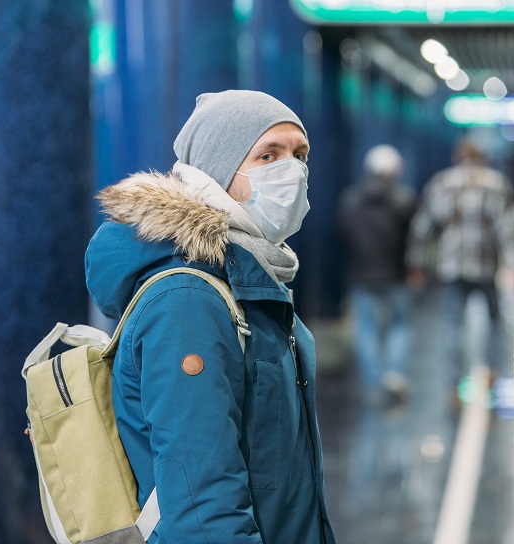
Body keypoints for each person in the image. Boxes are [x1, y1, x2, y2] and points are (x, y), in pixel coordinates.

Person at [85, 90, 336, 543]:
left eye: (300, 154)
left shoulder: (252, 278)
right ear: (219, 170)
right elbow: (203, 505)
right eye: (268, 154)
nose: (293, 171)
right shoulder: (189, 300)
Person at [406, 137, 514, 403]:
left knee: (453, 326)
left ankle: (454, 382)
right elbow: (506, 229)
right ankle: (492, 373)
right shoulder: (496, 184)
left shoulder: (442, 183)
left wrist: (416, 264)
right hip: (487, 267)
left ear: (458, 156)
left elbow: (423, 227)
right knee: (494, 324)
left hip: (453, 267)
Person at [337, 144, 418, 405]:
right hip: (396, 274)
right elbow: (414, 239)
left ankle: (373, 384)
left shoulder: (350, 200)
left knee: (367, 329)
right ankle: (393, 374)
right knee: (400, 324)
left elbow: (342, 236)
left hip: (362, 274)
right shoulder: (405, 200)